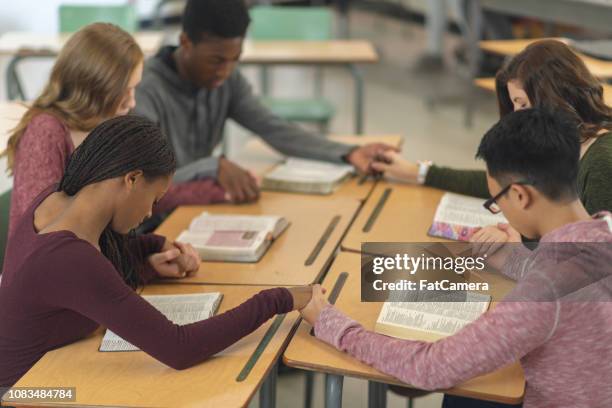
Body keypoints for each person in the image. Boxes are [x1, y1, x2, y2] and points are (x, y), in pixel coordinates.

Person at [300, 108, 612, 407]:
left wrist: (333, 324)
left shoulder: (542, 293)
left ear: (520, 195)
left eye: (496, 201)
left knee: (464, 391)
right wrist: (516, 261)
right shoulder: (605, 230)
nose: (499, 210)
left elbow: (431, 367)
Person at [0, 115, 315, 388]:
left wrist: (150, 251)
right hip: (26, 394)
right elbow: (179, 348)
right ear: (132, 179)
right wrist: (280, 299)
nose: (150, 213)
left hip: (45, 374)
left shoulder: (54, 199)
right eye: (154, 199)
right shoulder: (71, 260)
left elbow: (88, 275)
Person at [135, 0, 395, 204]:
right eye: (216, 60)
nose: (225, 71)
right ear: (185, 43)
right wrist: (211, 167)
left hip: (194, 207)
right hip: (149, 221)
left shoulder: (226, 82)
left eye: (235, 59)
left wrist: (348, 153)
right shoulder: (144, 91)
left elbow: (274, 128)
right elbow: (142, 185)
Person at [3, 22, 224, 236]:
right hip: (53, 269)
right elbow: (43, 226)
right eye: (124, 91)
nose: (132, 103)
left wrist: (147, 257)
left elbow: (137, 198)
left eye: (134, 89)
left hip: (89, 262)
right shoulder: (45, 131)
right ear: (94, 87)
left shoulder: (106, 129)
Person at [373, 40, 612, 217]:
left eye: (523, 103)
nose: (518, 114)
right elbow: (504, 182)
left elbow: (594, 266)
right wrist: (417, 172)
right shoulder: (564, 144)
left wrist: (518, 246)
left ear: (557, 97)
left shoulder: (600, 162)